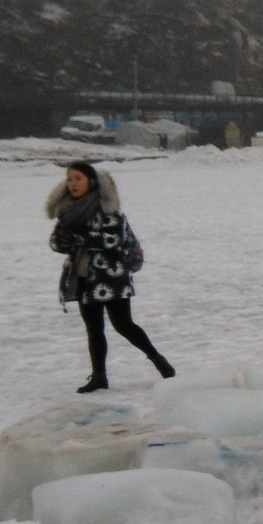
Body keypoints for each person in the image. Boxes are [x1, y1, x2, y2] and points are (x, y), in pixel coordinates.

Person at [47, 161, 175, 392]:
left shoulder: (108, 208)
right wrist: (72, 238)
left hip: (112, 278)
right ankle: (99, 376)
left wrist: (80, 239)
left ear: (91, 181)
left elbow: (112, 239)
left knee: (123, 325)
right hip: (83, 278)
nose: (73, 184)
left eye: (78, 178)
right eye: (70, 179)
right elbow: (56, 243)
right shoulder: (66, 211)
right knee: (93, 329)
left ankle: (158, 360)